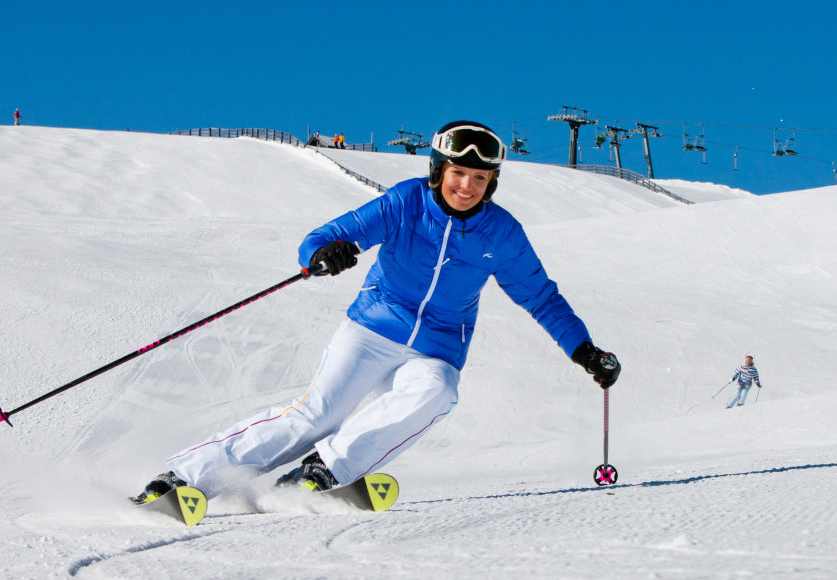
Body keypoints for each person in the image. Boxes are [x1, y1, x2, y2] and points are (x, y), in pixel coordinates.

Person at [140, 121, 620, 503]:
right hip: (372, 327)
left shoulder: (503, 233)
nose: (467, 186)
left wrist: (584, 350)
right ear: (439, 171)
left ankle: (325, 469)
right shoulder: (407, 201)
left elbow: (540, 296)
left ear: (492, 182)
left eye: (480, 178)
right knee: (315, 415)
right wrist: (327, 253)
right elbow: (322, 238)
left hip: (436, 346)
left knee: (437, 392)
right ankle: (183, 477)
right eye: (458, 173)